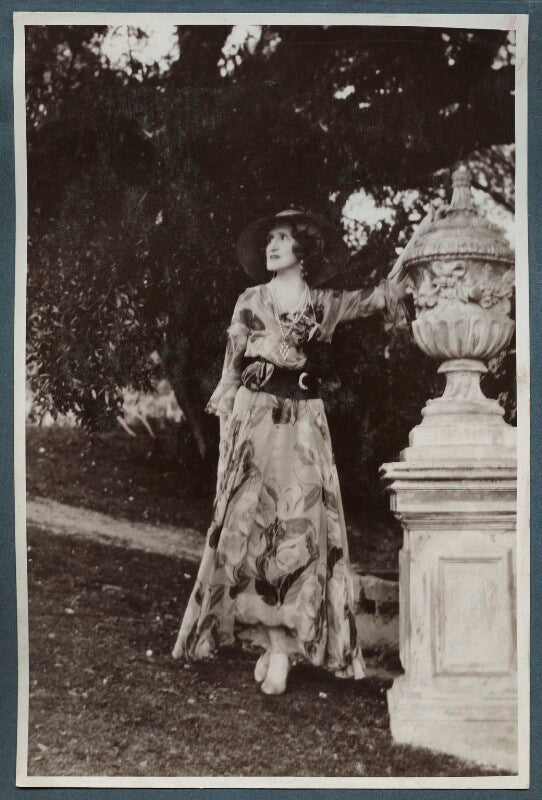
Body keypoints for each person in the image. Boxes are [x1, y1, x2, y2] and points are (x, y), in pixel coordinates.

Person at [172, 209, 409, 695]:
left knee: (298, 531)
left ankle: (279, 644)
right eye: (269, 240)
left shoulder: (321, 304)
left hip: (303, 425)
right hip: (256, 421)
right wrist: (230, 428)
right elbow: (231, 371)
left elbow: (374, 299)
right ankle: (271, 643)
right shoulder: (249, 300)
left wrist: (405, 271)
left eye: (282, 239)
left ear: (304, 250)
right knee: (250, 528)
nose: (272, 247)